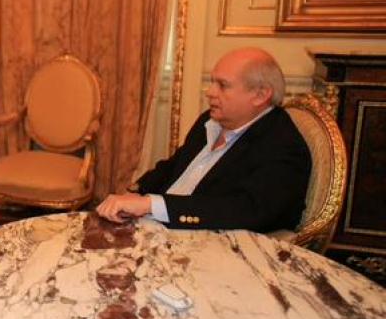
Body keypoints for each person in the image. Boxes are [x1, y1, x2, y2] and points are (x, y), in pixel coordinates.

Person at [97, 47, 310, 232]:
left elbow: (246, 210)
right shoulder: (210, 121)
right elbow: (173, 166)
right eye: (212, 82)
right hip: (157, 227)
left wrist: (151, 205)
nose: (210, 92)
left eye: (223, 85)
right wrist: (134, 192)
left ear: (260, 95)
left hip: (207, 246)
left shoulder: (282, 145)